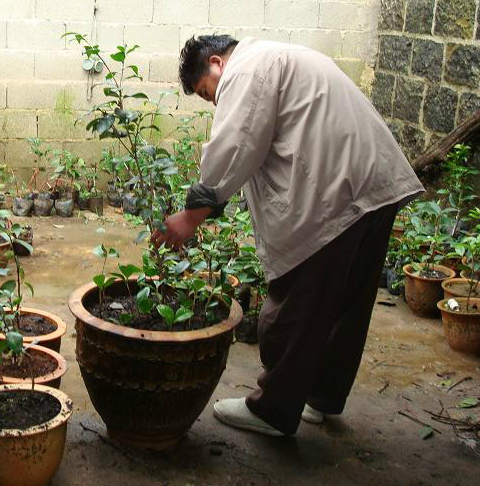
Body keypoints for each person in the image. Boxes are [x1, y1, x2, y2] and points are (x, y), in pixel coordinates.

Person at [150, 35, 424, 437]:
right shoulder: (278, 56)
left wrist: (192, 215)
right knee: (348, 301)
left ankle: (272, 411)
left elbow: (236, 143)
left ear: (215, 64)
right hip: (374, 183)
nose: (214, 103)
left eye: (208, 94)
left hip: (335, 193)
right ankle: (322, 398)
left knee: (295, 303)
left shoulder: (246, 69)